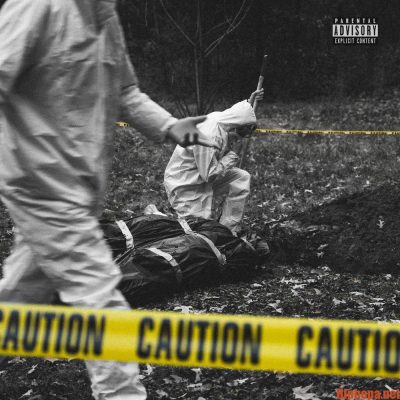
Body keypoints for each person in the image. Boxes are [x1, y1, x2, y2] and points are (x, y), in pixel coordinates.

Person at [0, 1, 215, 399]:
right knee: (99, 296)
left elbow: (126, 91)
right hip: (40, 183)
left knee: (20, 295)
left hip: (80, 186)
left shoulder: (105, 16)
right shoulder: (37, 6)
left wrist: (170, 125)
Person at [164, 89, 264, 233]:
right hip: (185, 185)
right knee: (198, 231)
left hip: (199, 177)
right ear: (237, 126)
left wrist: (249, 104)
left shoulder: (221, 119)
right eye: (243, 131)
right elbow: (209, 175)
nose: (243, 136)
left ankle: (227, 230)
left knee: (240, 178)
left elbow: (239, 114)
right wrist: (232, 156)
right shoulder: (210, 135)